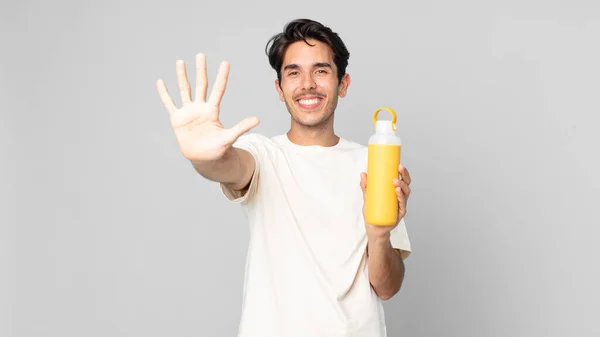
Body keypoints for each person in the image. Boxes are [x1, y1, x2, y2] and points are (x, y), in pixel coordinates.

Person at [156, 18, 412, 337]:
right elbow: (230, 167)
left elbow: (386, 288)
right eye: (293, 72)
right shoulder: (262, 154)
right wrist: (204, 156)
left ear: (343, 83)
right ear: (280, 89)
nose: (307, 84)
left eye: (320, 70)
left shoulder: (374, 162)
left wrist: (379, 235)